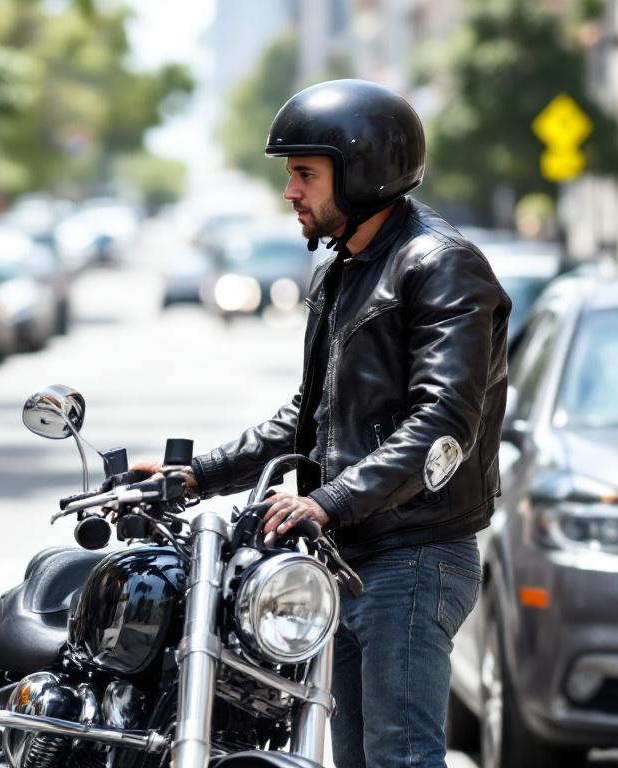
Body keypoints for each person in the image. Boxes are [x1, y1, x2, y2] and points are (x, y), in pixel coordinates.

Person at [135, 79, 510, 768]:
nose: (290, 192)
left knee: (400, 757)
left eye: (305, 174)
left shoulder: (439, 265)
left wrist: (326, 500)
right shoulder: (347, 269)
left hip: (414, 556)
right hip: (350, 557)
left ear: (364, 172)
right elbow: (309, 419)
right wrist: (195, 476)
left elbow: (445, 422)